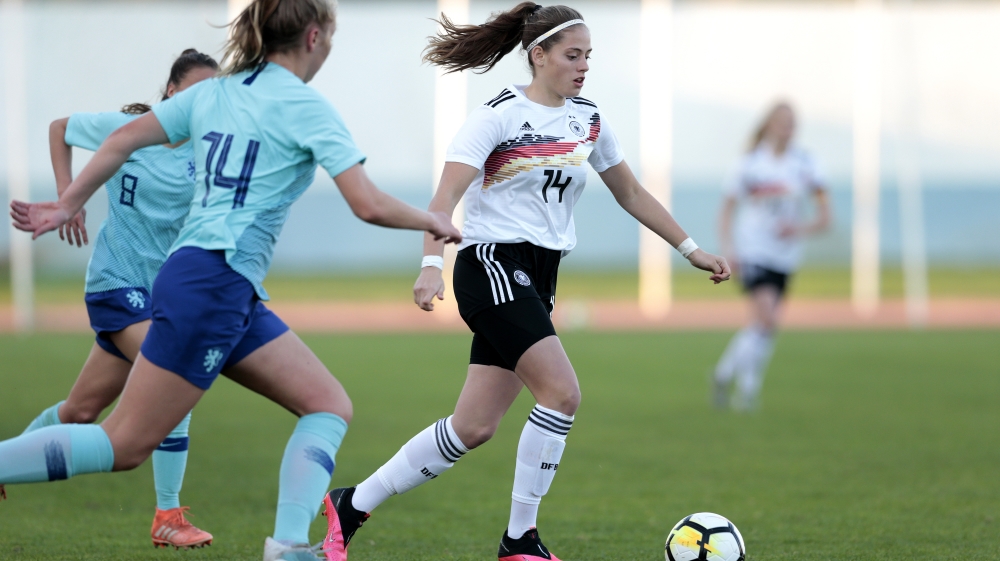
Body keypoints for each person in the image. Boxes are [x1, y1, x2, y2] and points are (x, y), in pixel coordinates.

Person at [4, 1, 461, 560]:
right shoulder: (306, 107)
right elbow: (365, 204)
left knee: (327, 404)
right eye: (332, 38)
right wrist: (431, 219)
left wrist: (66, 203)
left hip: (218, 283)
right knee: (123, 444)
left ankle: (289, 547)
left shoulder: (214, 93)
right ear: (314, 36)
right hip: (212, 284)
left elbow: (121, 139)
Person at [317, 4, 730, 561]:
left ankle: (351, 504)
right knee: (562, 393)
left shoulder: (589, 118)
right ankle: (520, 541)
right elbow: (444, 200)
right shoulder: (497, 116)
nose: (583, 67)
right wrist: (430, 265)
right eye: (572, 55)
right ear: (539, 54)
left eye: (588, 56)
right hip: (489, 263)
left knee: (473, 426)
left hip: (539, 274)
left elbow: (630, 193)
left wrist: (692, 249)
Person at [14, 49, 219, 550]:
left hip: (162, 295)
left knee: (81, 410)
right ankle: (167, 515)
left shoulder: (211, 150)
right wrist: (70, 200)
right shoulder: (131, 130)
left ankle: (8, 457)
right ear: (171, 91)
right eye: (193, 91)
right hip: (115, 281)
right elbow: (60, 128)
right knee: (177, 370)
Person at [712, 102, 831, 411]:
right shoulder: (750, 163)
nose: (787, 128)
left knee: (765, 325)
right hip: (753, 249)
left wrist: (799, 228)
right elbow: (726, 210)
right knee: (766, 318)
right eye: (781, 122)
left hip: (785, 255)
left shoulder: (805, 163)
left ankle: (724, 373)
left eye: (792, 123)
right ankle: (747, 392)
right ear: (768, 125)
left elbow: (824, 216)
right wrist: (729, 250)